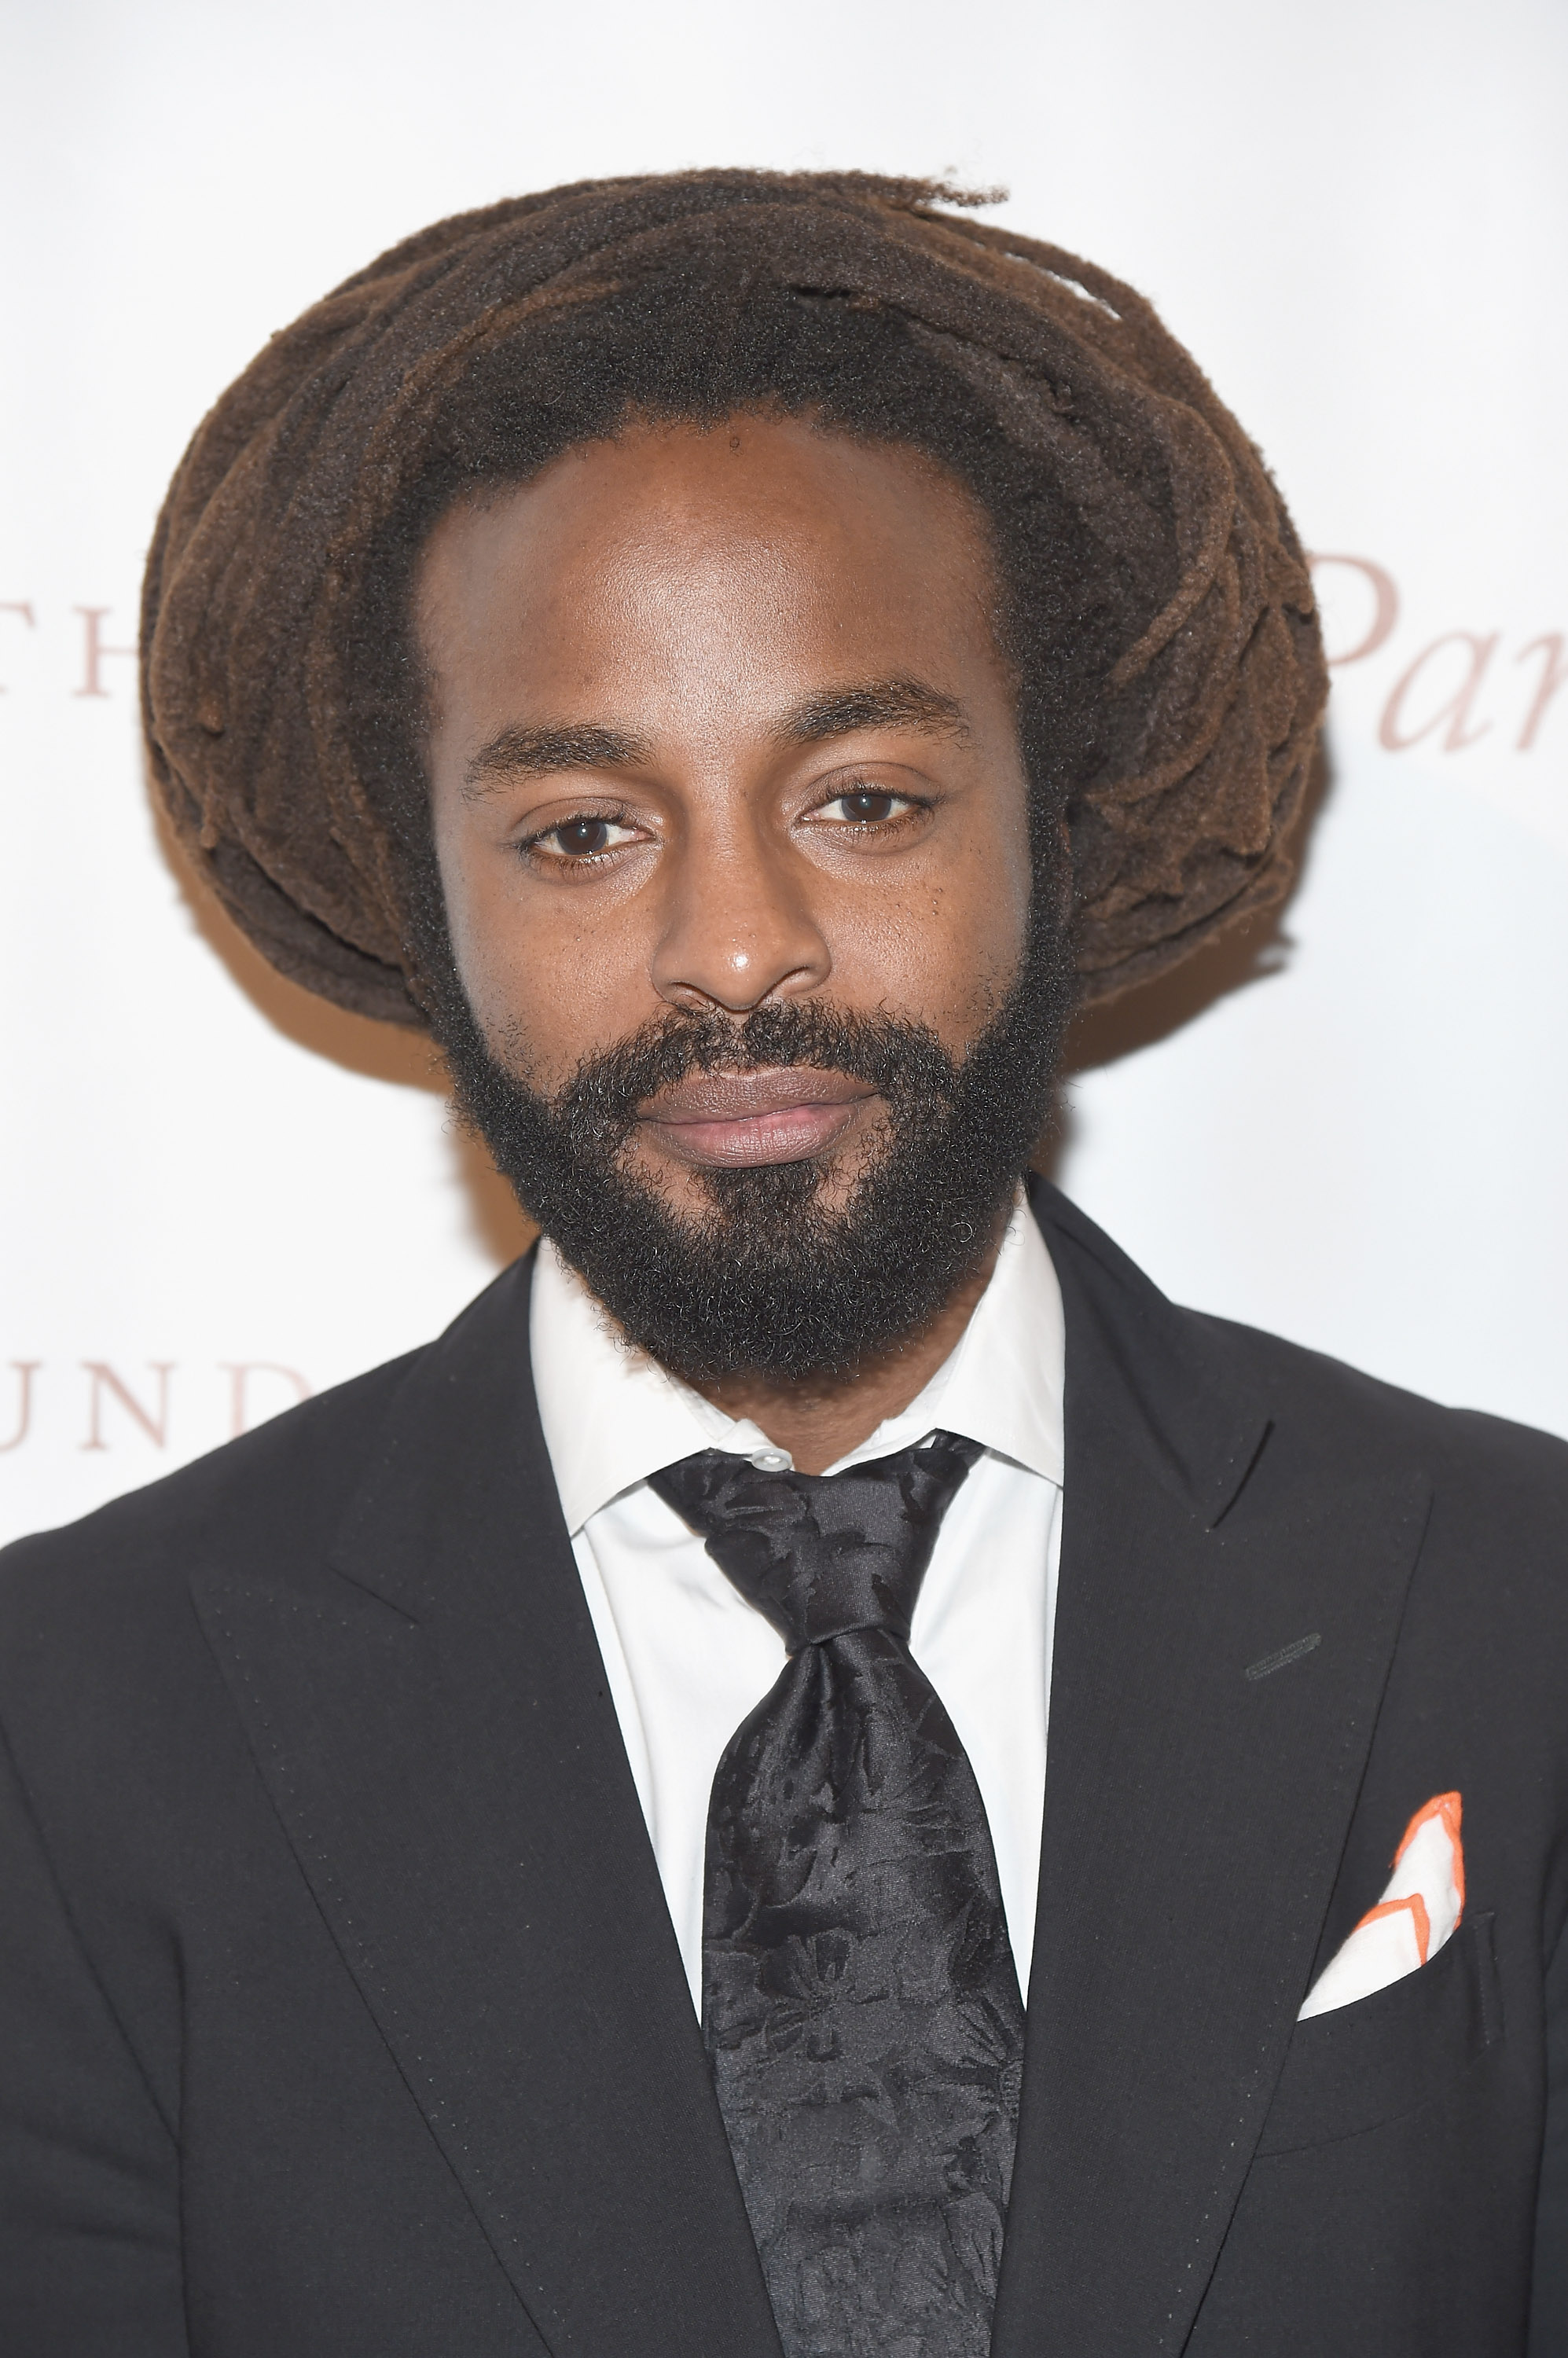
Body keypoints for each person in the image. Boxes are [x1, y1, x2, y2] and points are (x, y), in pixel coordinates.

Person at [0, 170, 1562, 2358]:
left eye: (864, 800)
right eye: (581, 832)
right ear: (423, 890)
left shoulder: (1515, 1609)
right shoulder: (72, 1727)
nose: (733, 944)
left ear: (1057, 817)